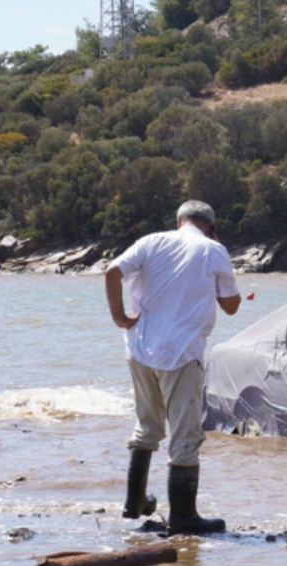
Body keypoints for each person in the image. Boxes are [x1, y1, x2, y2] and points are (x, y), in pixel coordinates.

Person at [105, 200, 240, 535]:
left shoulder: (151, 241)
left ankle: (133, 502)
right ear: (211, 224)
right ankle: (183, 516)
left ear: (179, 220)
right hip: (182, 351)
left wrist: (119, 317)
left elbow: (111, 272)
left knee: (146, 424)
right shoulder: (214, 250)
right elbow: (232, 307)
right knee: (185, 433)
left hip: (140, 347)